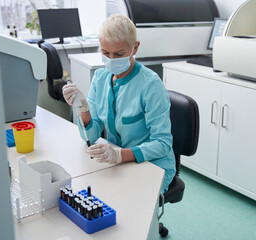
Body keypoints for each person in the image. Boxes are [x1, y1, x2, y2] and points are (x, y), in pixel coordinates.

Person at [62, 14, 176, 194]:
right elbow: (89, 137)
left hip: (153, 164)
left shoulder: (151, 85)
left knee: (129, 206)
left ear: (134, 48)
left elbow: (162, 143)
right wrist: (83, 108)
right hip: (117, 160)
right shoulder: (100, 78)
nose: (111, 59)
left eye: (119, 54)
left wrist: (120, 155)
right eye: (105, 53)